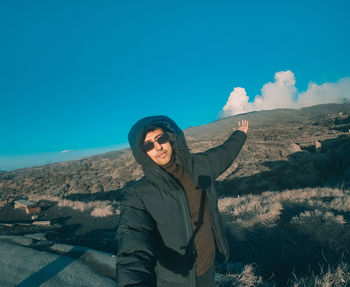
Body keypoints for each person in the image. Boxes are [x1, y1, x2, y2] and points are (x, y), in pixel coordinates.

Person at [116, 115, 248, 287]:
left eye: (160, 138)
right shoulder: (138, 194)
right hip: (176, 280)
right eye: (149, 145)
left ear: (170, 139)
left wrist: (240, 134)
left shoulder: (198, 166)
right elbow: (133, 241)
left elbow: (223, 154)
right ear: (143, 153)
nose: (158, 146)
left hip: (208, 267)